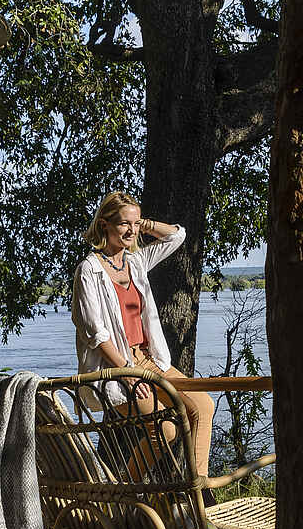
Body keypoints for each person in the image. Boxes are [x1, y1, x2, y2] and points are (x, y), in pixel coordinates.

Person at [71, 191, 215, 478]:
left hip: (149, 358)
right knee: (166, 430)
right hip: (116, 367)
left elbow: (176, 236)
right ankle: (131, 490)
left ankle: (199, 490)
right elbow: (96, 334)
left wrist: (145, 223)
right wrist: (127, 373)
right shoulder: (89, 271)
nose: (132, 231)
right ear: (104, 225)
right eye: (124, 223)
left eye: (135, 224)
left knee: (203, 406)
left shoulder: (135, 261)